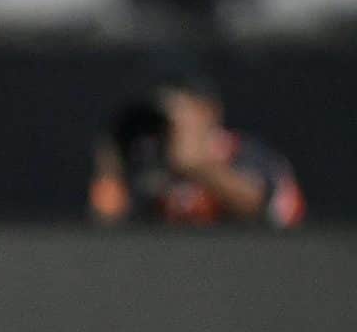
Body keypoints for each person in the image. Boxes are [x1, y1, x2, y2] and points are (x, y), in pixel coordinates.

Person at [91, 75, 304, 228]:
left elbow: (259, 206)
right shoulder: (152, 163)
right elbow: (109, 224)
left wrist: (196, 166)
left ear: (208, 111)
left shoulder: (242, 151)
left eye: (181, 111)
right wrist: (111, 170)